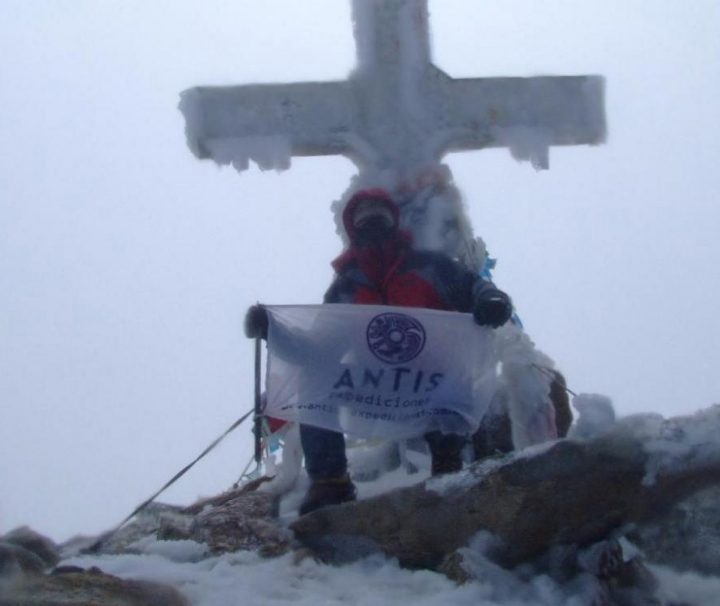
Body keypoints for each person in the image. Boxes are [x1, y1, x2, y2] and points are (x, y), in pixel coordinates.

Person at [245, 189, 513, 514]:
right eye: (362, 213)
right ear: (351, 225)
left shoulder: (429, 267)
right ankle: (330, 482)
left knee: (454, 385)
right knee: (317, 380)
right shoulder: (347, 287)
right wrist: (273, 330)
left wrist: (491, 299)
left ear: (394, 220)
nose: (371, 218)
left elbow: (473, 286)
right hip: (378, 384)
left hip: (434, 381)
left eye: (378, 210)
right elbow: (315, 352)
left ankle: (448, 467)